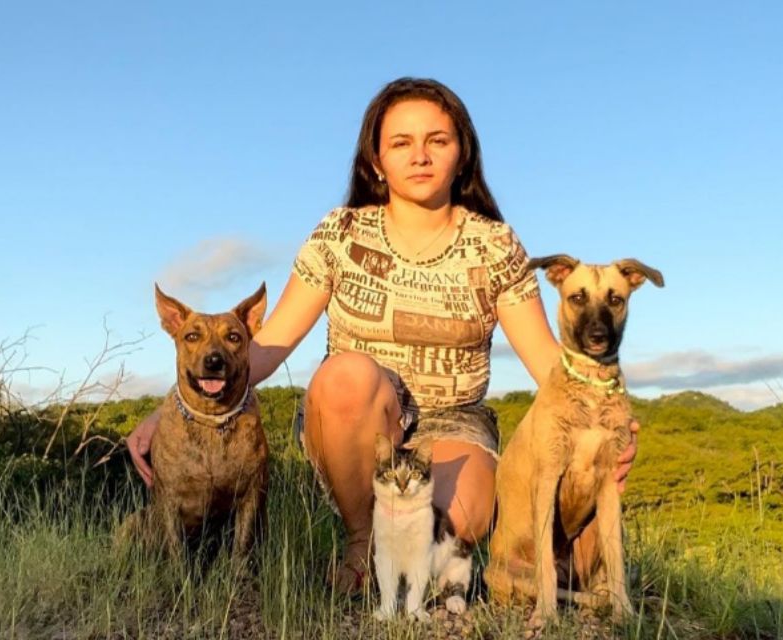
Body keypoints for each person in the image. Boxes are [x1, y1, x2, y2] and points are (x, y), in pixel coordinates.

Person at [126, 77, 639, 594]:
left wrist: (606, 419)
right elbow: (264, 347)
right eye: (401, 142)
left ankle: (421, 562)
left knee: (462, 517)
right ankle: (361, 547)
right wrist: (173, 409)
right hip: (356, 419)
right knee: (347, 374)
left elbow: (551, 365)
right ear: (376, 161)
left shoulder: (494, 244)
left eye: (437, 140)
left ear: (462, 154)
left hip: (454, 424)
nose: (420, 155)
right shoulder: (341, 234)